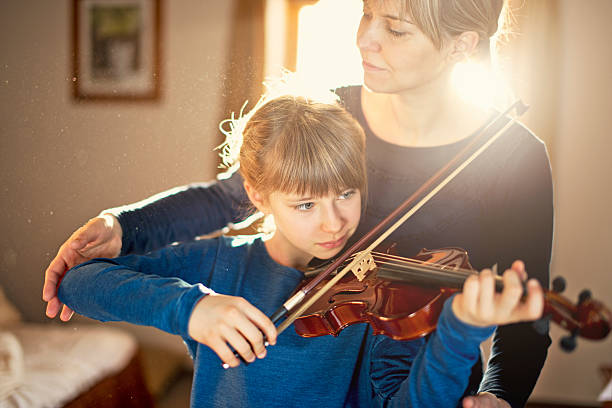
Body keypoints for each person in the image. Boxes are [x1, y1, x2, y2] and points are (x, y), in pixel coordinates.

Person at [44, 0, 554, 406]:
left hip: (425, 378)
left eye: (396, 29)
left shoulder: (514, 158)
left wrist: (500, 396)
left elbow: (527, 318)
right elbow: (229, 198)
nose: (365, 39)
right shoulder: (333, 117)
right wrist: (122, 228)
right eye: (367, 12)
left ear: (462, 45)